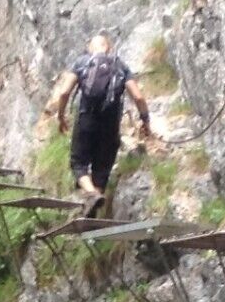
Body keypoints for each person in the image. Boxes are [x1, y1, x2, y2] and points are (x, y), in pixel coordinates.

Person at [41, 33, 153, 212]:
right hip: (110, 125)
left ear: (90, 48)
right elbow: (138, 97)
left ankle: (92, 195)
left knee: (78, 164)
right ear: (109, 47)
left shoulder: (82, 62)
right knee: (102, 168)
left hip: (87, 120)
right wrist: (146, 121)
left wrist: (61, 116)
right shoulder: (121, 66)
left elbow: (64, 93)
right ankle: (93, 205)